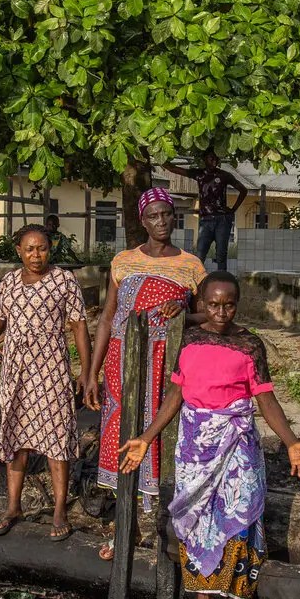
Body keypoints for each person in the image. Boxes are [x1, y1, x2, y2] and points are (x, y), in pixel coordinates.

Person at [121, 272, 300, 599]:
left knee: (238, 519)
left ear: (237, 304)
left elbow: (266, 400)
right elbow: (176, 393)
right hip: (195, 447)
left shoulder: (250, 345)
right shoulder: (190, 339)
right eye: (212, 304)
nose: (221, 311)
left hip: (236, 445)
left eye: (228, 304)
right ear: (202, 304)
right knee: (198, 521)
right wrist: (147, 437)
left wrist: (290, 441)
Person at [83, 189, 208, 559]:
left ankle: (164, 528)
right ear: (143, 221)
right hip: (122, 360)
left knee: (159, 435)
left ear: (174, 217)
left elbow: (209, 315)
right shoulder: (123, 261)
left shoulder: (191, 265)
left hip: (165, 362)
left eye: (167, 215)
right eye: (153, 216)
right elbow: (107, 317)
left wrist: (182, 305)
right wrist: (91, 372)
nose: (161, 222)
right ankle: (126, 527)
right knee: (122, 434)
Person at [0, 224, 90, 539]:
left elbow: (78, 327)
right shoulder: (10, 282)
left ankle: (59, 510)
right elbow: (0, 315)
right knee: (15, 437)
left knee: (56, 438)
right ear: (19, 250)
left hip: (51, 370)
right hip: (16, 371)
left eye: (42, 248)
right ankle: (13, 506)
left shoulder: (63, 281)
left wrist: (86, 372)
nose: (36, 255)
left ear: (50, 249)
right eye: (29, 249)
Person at [167, 152, 247, 272]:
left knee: (221, 254)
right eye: (211, 157)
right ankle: (196, 281)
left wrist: (233, 209)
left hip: (222, 219)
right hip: (206, 220)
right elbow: (174, 169)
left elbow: (243, 190)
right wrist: (159, 157)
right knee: (200, 254)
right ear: (205, 159)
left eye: (216, 158)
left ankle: (222, 281)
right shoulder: (199, 174)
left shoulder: (224, 175)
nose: (214, 160)